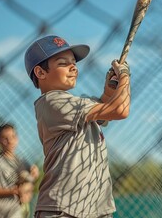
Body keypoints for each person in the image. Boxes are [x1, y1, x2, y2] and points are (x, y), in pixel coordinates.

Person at [24, 35, 131, 218]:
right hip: (63, 209)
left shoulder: (75, 104)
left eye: (74, 62)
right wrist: (124, 77)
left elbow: (105, 108)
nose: (73, 67)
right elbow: (119, 110)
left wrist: (110, 89)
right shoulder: (52, 102)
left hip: (94, 208)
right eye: (63, 63)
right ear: (41, 73)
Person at [0, 123, 40, 218]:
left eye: (13, 136)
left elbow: (30, 185)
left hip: (15, 211)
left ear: (17, 138)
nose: (10, 141)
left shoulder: (23, 162)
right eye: (5, 138)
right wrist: (10, 191)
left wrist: (34, 177)